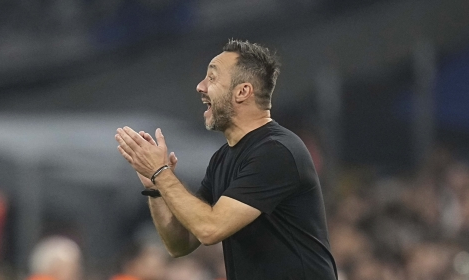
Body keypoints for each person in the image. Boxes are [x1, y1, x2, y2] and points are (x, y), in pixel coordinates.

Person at [115, 39, 338, 279]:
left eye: (212, 78)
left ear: (242, 91)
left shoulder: (277, 151)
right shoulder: (223, 159)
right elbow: (181, 243)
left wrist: (161, 171)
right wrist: (155, 186)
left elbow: (209, 229)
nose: (200, 87)